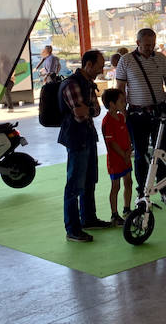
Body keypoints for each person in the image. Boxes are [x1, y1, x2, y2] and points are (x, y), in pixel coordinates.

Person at [115, 28, 166, 205]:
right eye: (146, 45)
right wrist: (123, 112)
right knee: (140, 154)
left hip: (160, 113)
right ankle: (142, 192)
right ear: (138, 43)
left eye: (152, 44)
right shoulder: (126, 61)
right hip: (137, 114)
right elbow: (120, 87)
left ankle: (164, 190)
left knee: (162, 153)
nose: (150, 48)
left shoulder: (161, 58)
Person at [58, 50, 111, 242]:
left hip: (87, 135)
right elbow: (81, 113)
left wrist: (87, 109)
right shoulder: (72, 84)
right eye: (100, 64)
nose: (101, 68)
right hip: (76, 137)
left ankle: (88, 218)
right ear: (88, 64)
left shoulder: (86, 84)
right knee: (75, 184)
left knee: (89, 180)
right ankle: (73, 228)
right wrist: (88, 109)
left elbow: (95, 111)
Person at [100, 88, 133, 227]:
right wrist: (123, 155)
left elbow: (127, 136)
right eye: (121, 101)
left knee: (129, 182)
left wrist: (129, 151)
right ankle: (114, 214)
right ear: (112, 104)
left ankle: (127, 208)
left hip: (125, 157)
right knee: (116, 186)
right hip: (115, 160)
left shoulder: (121, 118)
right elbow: (111, 142)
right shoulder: (107, 121)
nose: (124, 103)